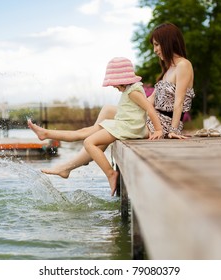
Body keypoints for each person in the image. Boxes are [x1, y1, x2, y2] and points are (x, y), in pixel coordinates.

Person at [34, 22, 195, 186]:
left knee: (97, 133)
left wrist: (173, 131)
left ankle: (72, 162)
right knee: (107, 111)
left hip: (164, 125)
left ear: (168, 41)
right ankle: (80, 156)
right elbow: (149, 102)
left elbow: (179, 101)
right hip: (153, 118)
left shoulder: (184, 65)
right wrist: (130, 97)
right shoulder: (168, 69)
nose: (155, 50)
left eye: (156, 44)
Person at [28, 57, 163, 195]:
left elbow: (149, 108)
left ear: (121, 80)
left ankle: (110, 173)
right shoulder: (131, 89)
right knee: (84, 132)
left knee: (89, 142)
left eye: (114, 83)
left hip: (128, 128)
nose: (114, 87)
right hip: (124, 124)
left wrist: (158, 129)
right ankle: (45, 133)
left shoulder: (133, 91)